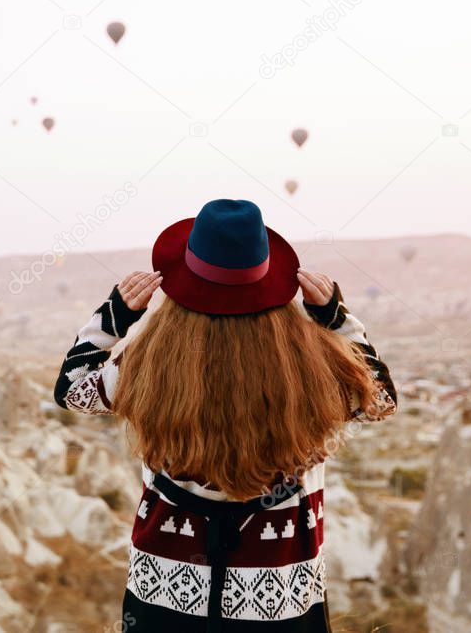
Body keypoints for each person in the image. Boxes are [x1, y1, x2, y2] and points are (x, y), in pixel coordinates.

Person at [53, 199, 396, 632]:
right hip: (279, 596)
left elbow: (70, 389)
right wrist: (337, 318)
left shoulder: (145, 366)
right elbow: (381, 397)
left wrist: (114, 317)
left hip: (167, 592)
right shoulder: (313, 369)